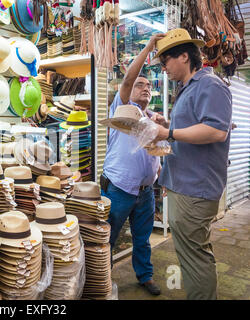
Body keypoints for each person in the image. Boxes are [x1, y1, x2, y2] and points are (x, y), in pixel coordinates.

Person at [152, 29, 232, 300]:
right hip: (183, 185)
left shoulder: (210, 85)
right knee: (189, 254)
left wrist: (170, 133)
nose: (164, 69)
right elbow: (194, 128)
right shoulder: (189, 88)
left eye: (166, 62)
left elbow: (216, 131)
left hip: (195, 189)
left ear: (184, 56)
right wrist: (168, 125)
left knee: (195, 258)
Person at [101, 33, 166, 296]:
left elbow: (160, 150)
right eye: (141, 85)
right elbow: (128, 78)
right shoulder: (122, 110)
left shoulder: (153, 118)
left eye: (149, 86)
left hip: (145, 192)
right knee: (106, 238)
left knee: (142, 239)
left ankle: (144, 276)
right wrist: (150, 46)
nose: (145, 88)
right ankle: (100, 278)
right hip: (118, 189)